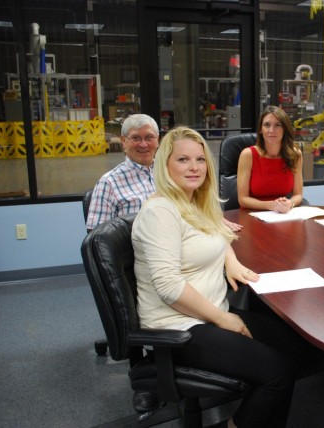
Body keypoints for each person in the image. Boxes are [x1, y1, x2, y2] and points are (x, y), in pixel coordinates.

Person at [132, 126, 312, 428]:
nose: (194, 167)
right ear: (165, 165)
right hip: (180, 326)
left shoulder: (192, 203)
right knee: (277, 372)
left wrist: (230, 261)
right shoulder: (161, 211)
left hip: (211, 312)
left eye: (200, 160)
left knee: (294, 344)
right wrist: (223, 319)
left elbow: (220, 232)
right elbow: (168, 287)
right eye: (183, 160)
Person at [86, 114, 241, 232]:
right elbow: (98, 238)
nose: (143, 144)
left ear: (158, 140)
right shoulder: (109, 183)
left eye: (149, 137)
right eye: (135, 138)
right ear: (123, 141)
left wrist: (213, 219)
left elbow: (195, 204)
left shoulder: (173, 171)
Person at [237, 106, 303, 212]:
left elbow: (298, 195)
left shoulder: (295, 155)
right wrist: (271, 205)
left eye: (278, 125)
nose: (272, 130)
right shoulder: (248, 155)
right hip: (252, 214)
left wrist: (290, 203)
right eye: (267, 125)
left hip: (282, 215)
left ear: (285, 129)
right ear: (260, 130)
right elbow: (243, 199)